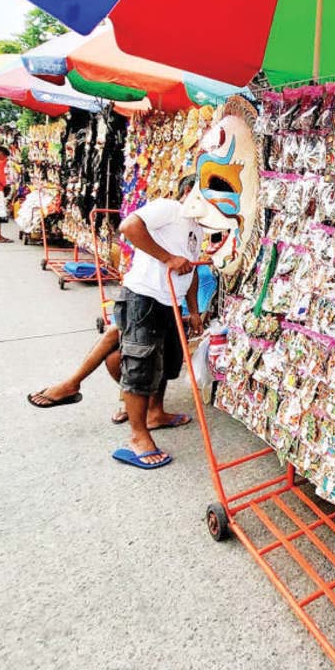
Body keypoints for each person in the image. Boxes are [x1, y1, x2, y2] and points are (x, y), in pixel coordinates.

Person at [26, 265, 218, 427]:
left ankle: (73, 383)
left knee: (117, 333)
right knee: (114, 355)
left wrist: (188, 314)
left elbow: (199, 315)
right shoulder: (160, 264)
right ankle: (137, 404)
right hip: (152, 316)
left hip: (174, 323)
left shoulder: (200, 272)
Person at [111, 176, 206, 469]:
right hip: (144, 296)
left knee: (164, 363)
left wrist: (194, 311)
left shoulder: (197, 228)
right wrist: (167, 258)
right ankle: (138, 436)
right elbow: (128, 227)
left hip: (171, 302)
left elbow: (191, 271)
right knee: (140, 364)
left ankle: (156, 413)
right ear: (189, 192)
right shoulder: (169, 208)